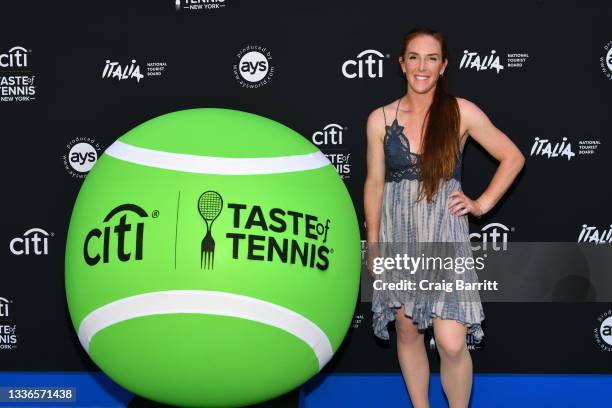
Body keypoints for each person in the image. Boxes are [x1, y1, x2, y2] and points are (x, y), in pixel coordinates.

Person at [363, 28, 525, 408]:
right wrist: (373, 244)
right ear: (402, 64)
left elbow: (512, 156)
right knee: (406, 330)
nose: (422, 67)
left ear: (443, 66)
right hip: (397, 232)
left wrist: (481, 203)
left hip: (444, 234)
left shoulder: (460, 111)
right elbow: (373, 184)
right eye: (414, 58)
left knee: (452, 343)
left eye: (431, 58)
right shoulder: (379, 119)